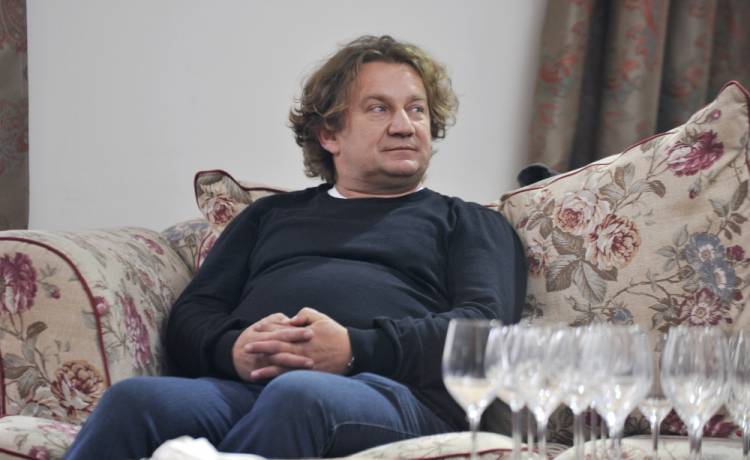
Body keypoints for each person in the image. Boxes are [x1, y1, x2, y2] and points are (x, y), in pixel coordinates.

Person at [64, 35, 526, 459]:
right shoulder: (270, 216)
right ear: (329, 134)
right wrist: (233, 349)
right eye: (379, 109)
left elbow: (484, 330)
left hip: (399, 397)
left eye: (417, 110)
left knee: (300, 395)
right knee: (134, 400)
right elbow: (194, 312)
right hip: (252, 389)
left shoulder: (468, 222)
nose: (404, 126)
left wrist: (355, 349)